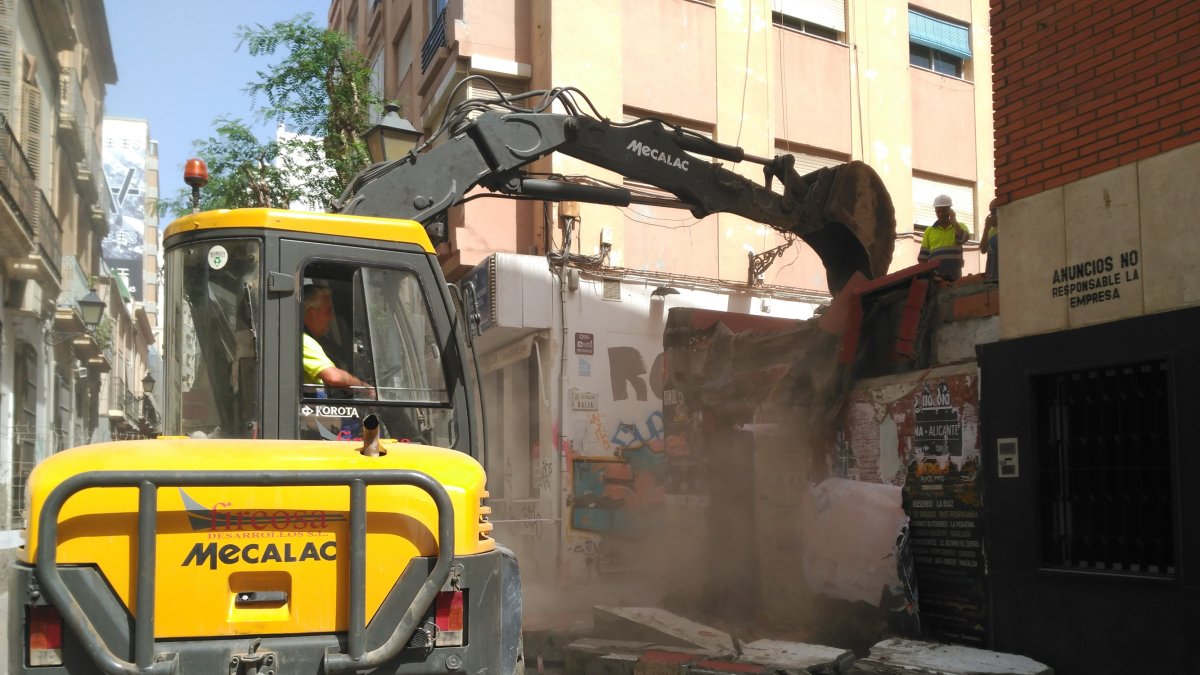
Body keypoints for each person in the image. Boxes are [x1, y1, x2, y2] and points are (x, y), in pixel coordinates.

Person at [302, 284, 374, 397]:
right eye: (328, 311)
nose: (332, 317)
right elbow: (334, 377)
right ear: (311, 313)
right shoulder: (303, 340)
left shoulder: (311, 340)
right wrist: (365, 388)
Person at [918, 194, 971, 280]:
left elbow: (962, 239)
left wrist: (954, 220)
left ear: (950, 210)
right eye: (938, 211)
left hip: (955, 274)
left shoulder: (960, 226)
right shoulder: (929, 230)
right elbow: (923, 258)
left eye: (944, 211)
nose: (941, 214)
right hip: (935, 276)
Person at [980, 197, 999, 281]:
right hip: (991, 275)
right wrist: (986, 229)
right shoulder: (990, 230)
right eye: (990, 212)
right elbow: (983, 250)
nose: (991, 215)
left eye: (994, 211)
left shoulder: (1007, 225)